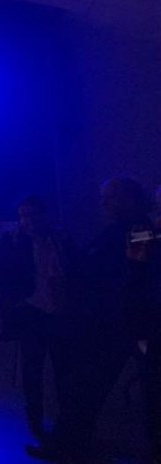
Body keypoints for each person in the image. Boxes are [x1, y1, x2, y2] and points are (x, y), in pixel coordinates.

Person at [29, 177, 157, 463]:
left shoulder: (138, 230)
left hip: (118, 322)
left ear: (128, 198)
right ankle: (71, 444)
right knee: (87, 387)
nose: (104, 204)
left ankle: (68, 446)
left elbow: (132, 275)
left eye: (110, 197)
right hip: (113, 320)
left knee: (86, 387)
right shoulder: (124, 229)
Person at [0, 196, 72, 438]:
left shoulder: (59, 238)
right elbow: (2, 274)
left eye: (32, 214)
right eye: (23, 215)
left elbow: (76, 269)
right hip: (32, 311)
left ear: (44, 214)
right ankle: (36, 419)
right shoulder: (13, 241)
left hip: (59, 310)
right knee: (33, 369)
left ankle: (66, 417)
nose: (28, 220)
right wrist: (17, 301)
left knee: (63, 368)